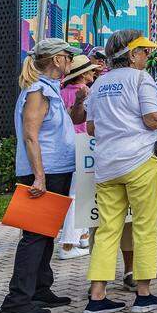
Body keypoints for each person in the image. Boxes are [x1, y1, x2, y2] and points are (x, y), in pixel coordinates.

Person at [82, 30, 157, 313]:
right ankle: (143, 295)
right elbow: (152, 120)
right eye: (144, 51)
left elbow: (91, 128)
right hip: (140, 161)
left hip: (107, 166)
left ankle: (97, 298)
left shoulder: (98, 85)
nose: (148, 55)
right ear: (132, 55)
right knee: (145, 228)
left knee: (108, 231)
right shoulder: (140, 79)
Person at [0, 39, 82, 313]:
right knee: (35, 236)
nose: (71, 61)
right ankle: (16, 302)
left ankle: (39, 288)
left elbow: (58, 127)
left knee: (46, 234)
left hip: (55, 170)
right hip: (43, 172)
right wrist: (39, 176)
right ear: (57, 59)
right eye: (69, 57)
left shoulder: (48, 90)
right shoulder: (36, 91)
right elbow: (30, 135)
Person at [57, 55, 99, 260]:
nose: (94, 72)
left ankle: (82, 235)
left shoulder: (61, 92)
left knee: (78, 192)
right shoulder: (86, 94)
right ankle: (68, 243)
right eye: (90, 70)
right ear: (82, 74)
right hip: (83, 144)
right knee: (79, 194)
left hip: (65, 146)